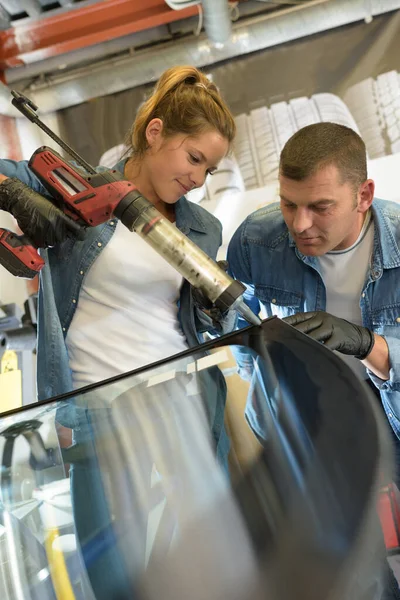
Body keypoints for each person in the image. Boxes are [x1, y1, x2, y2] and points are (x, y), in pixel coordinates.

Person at [0, 65, 236, 597]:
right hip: (94, 409)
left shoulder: (203, 228)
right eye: (193, 158)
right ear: (155, 132)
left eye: (210, 169)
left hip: (180, 401)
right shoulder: (72, 186)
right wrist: (15, 197)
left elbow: (197, 321)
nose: (198, 178)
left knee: (207, 566)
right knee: (114, 579)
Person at [227, 121, 400, 598]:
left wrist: (370, 345)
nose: (300, 224)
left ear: (363, 194)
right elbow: (244, 330)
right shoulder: (256, 243)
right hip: (313, 425)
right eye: (289, 203)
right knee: (352, 574)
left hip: (396, 409)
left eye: (320, 207)